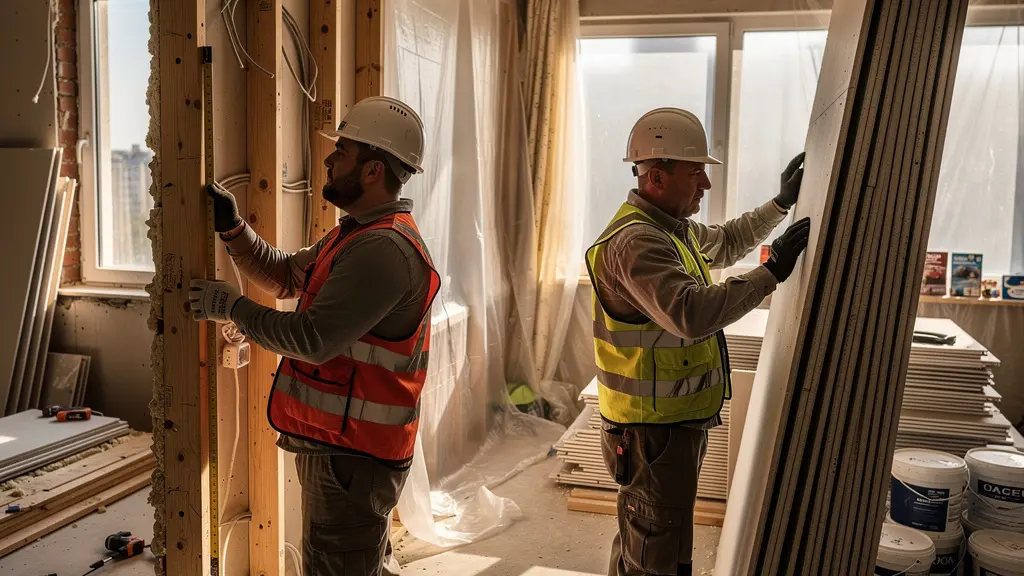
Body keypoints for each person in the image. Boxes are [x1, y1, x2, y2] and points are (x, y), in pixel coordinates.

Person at [188, 96, 439, 576]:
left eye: (341, 151)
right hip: (342, 444)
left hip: (353, 455)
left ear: (371, 171)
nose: (329, 158)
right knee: (355, 563)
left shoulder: (382, 249)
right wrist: (233, 230)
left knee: (338, 566)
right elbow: (287, 277)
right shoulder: (357, 235)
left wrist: (232, 307)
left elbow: (311, 338)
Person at [585, 107, 811, 576]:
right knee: (655, 552)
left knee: (646, 539)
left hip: (666, 426)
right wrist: (772, 272)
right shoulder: (637, 244)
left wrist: (780, 203)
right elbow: (691, 315)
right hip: (651, 432)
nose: (705, 186)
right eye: (697, 174)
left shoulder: (671, 230)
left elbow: (727, 242)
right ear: (657, 176)